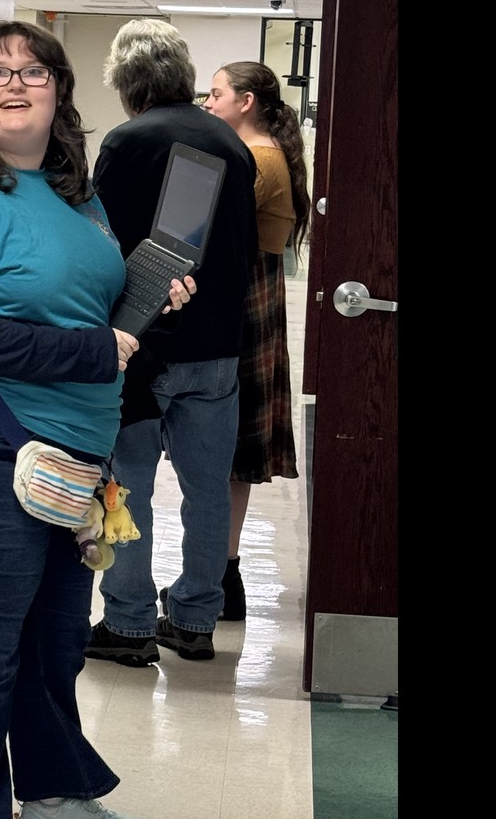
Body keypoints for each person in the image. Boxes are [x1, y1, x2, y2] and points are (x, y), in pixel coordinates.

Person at [0, 19, 192, 819]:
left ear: (60, 92)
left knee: (52, 642)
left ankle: (53, 790)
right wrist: (94, 350)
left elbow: (82, 299)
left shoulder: (72, 193)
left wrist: (143, 297)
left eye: (33, 71)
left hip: (68, 446)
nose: (14, 83)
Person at [84, 19, 257, 667]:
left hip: (140, 344)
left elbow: (99, 249)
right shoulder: (230, 144)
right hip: (216, 349)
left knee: (121, 485)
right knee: (207, 488)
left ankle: (127, 623)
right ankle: (193, 618)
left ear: (128, 84)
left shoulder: (128, 142)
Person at [201, 60, 311, 621]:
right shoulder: (262, 153)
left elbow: (211, 227)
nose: (209, 102)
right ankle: (222, 571)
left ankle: (221, 576)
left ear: (246, 101)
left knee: (232, 444)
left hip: (246, 304)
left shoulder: (258, 160)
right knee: (234, 449)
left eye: (217, 94)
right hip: (254, 299)